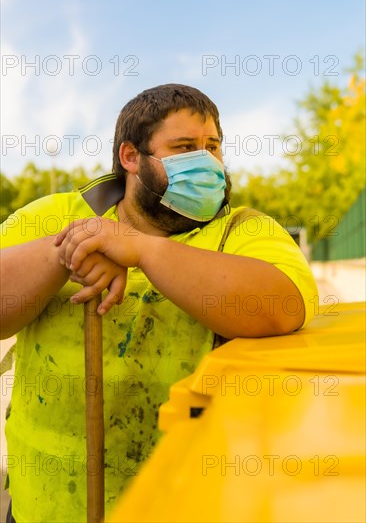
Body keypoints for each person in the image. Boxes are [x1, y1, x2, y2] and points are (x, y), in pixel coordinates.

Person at [0, 84, 317, 522]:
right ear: (130, 157)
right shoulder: (51, 216)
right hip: (46, 507)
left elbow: (282, 307)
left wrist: (143, 251)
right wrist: (65, 249)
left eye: (213, 147)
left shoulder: (244, 230)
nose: (206, 162)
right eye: (185, 147)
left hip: (191, 502)